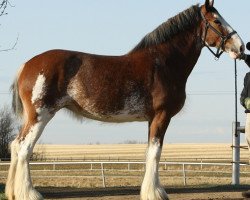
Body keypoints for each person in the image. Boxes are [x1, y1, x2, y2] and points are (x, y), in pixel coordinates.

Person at [240, 54, 250, 198]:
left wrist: (243, 56)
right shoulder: (248, 76)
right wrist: (246, 101)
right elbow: (242, 96)